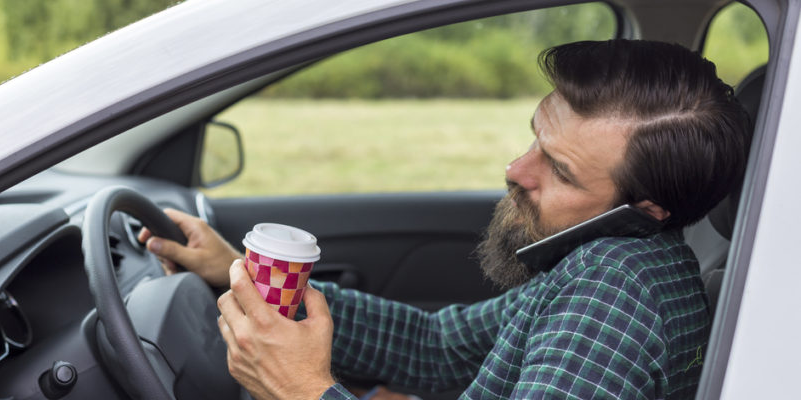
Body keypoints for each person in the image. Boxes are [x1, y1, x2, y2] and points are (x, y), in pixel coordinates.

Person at [139, 39, 751, 399]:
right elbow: (440, 347)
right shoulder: (608, 258)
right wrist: (238, 271)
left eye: (560, 171)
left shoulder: (616, 300)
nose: (516, 169)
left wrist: (304, 389)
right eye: (533, 139)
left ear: (645, 210)